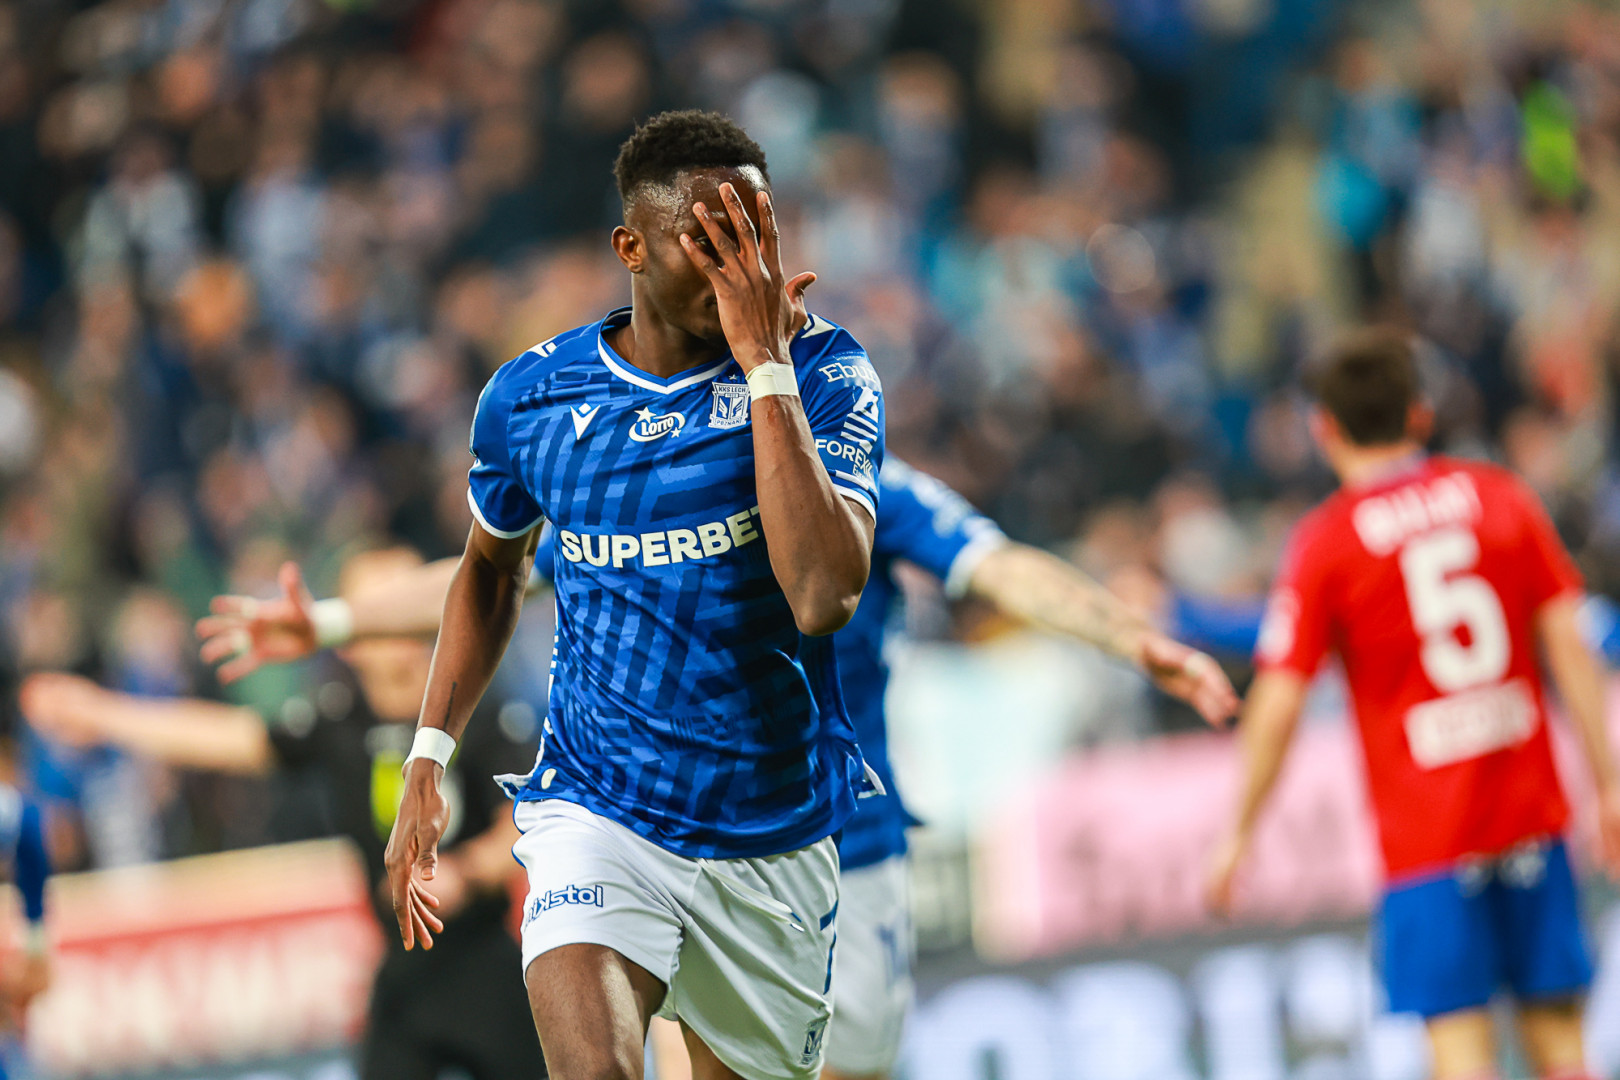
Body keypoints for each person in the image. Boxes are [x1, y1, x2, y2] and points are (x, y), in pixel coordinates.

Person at [198, 456, 1237, 1078]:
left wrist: (1129, 637)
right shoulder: (657, 488)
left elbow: (1001, 567)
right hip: (679, 846)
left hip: (846, 859)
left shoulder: (870, 489)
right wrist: (332, 620)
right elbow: (489, 569)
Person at [377, 108, 889, 1080]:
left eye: (760, 235)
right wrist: (430, 751)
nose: (743, 269)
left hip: (770, 834)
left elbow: (824, 594)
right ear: (631, 247)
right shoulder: (533, 400)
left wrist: (766, 368)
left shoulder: (827, 373)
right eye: (710, 241)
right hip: (599, 809)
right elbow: (489, 567)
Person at [1205, 328, 1620, 1080]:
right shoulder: (1500, 497)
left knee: (1461, 1059)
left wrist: (1239, 831)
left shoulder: (1326, 544)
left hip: (1429, 846)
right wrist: (1610, 781)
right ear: (1421, 415)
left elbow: (1279, 702)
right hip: (1531, 819)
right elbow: (1569, 643)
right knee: (1563, 1049)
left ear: (1323, 429)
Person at [18, 547, 547, 1080]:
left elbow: (527, 819)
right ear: (351, 642)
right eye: (384, 607)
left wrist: (466, 872)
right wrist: (100, 713)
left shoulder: (479, 707)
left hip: (486, 964)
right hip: (404, 976)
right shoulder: (339, 715)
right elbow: (231, 738)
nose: (403, 623)